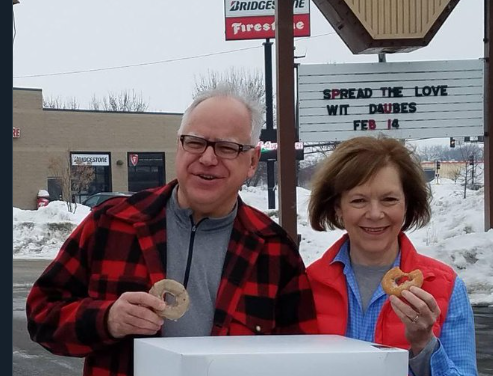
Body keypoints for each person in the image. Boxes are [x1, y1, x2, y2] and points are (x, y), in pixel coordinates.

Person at [26, 82, 318, 376]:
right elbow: (42, 314)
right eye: (194, 142)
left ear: (252, 161)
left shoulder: (274, 250)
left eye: (227, 147)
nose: (207, 158)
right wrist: (107, 319)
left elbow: (299, 359)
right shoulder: (112, 224)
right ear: (178, 145)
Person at [306, 136, 478, 376]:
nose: (375, 214)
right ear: (338, 207)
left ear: (406, 205)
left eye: (389, 199)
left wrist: (423, 345)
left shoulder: (446, 288)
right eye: (358, 200)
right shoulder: (306, 285)